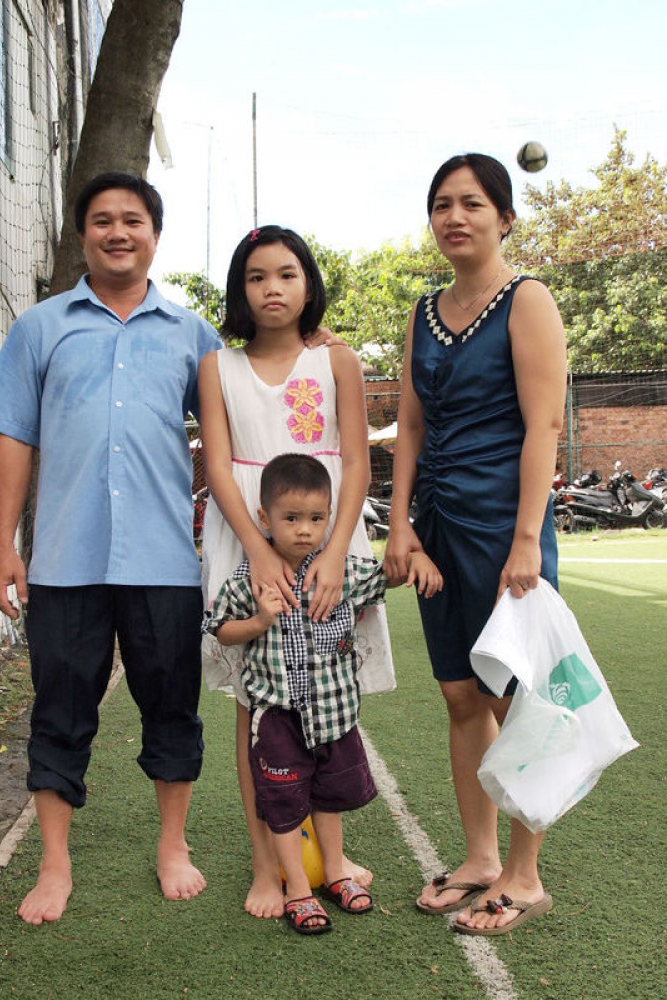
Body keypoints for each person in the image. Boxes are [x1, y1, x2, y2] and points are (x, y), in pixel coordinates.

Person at [0, 172, 221, 925]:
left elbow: (229, 428)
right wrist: (4, 546)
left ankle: (172, 846)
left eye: (134, 220)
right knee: (59, 712)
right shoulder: (41, 328)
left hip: (164, 566)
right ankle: (55, 863)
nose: (119, 232)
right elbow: (14, 435)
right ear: (83, 234)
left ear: (155, 234)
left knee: (173, 709)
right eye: (104, 220)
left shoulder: (191, 336)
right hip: (64, 562)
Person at [383, 153, 567, 936]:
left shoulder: (528, 300)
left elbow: (544, 427)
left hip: (505, 532)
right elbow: (413, 428)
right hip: (439, 533)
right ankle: (481, 857)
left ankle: (525, 876)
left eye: (472, 203)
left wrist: (527, 539)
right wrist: (398, 523)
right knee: (463, 696)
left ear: (505, 217)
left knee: (527, 701)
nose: (454, 216)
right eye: (441, 204)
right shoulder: (423, 312)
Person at [198, 225, 396, 919]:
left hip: (330, 534)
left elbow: (358, 462)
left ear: (307, 282)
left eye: (286, 274)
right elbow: (218, 465)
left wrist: (337, 551)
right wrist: (256, 547)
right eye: (256, 276)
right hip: (247, 536)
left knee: (326, 682)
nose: (271, 288)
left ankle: (330, 859)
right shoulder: (217, 367)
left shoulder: (336, 360)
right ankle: (268, 868)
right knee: (259, 704)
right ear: (239, 289)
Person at [203, 454, 438, 933]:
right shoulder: (251, 579)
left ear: (330, 518)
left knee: (328, 799)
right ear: (265, 519)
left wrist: (415, 558)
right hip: (277, 718)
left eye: (316, 519)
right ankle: (297, 889)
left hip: (334, 715)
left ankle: (335, 871)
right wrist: (259, 621)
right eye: (291, 519)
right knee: (284, 804)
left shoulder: (340, 572)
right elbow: (220, 630)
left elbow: (385, 577)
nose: (305, 530)